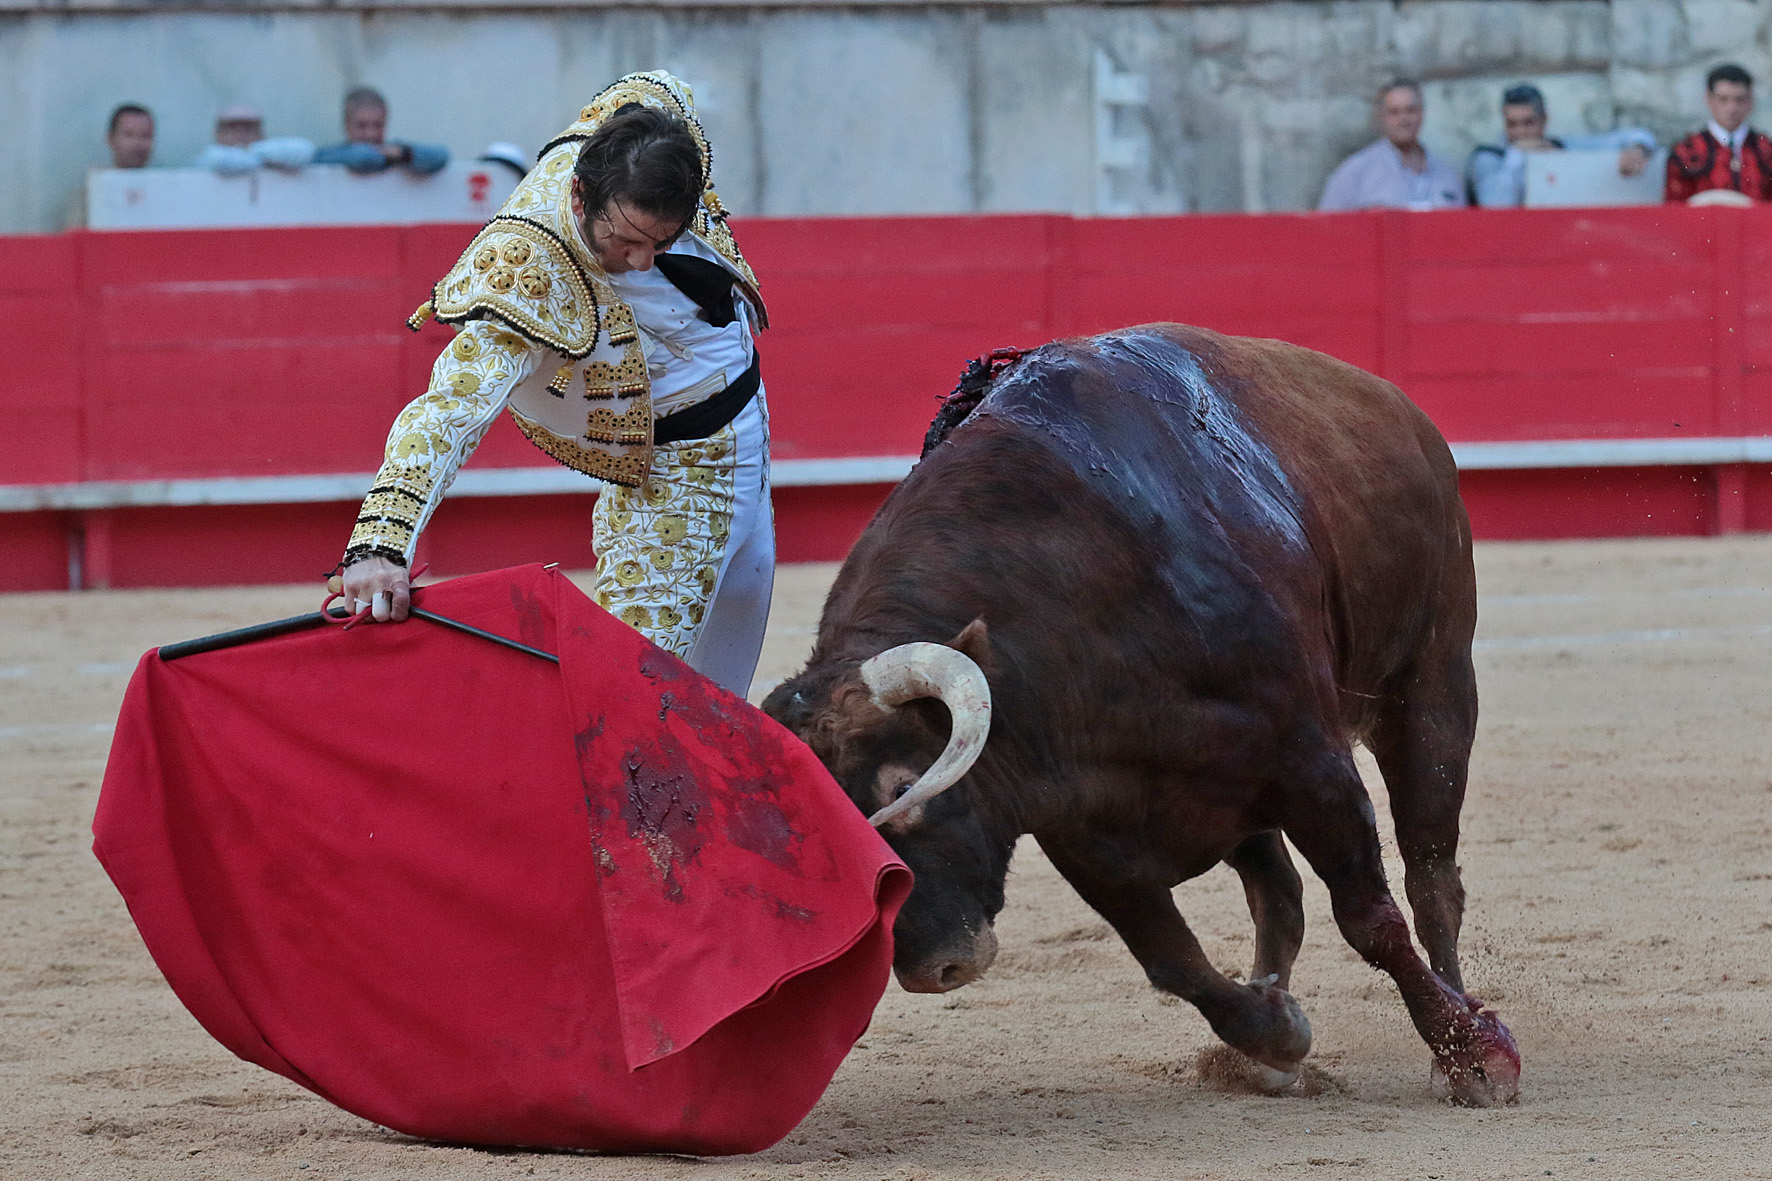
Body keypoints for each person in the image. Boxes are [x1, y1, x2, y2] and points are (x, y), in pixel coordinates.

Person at [336, 72, 774, 696]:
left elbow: (662, 81)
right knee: (627, 691)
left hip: (750, 416)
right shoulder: (527, 266)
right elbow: (449, 409)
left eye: (661, 242)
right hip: (673, 472)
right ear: (580, 193)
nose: (642, 260)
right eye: (624, 240)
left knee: (732, 657)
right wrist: (379, 542)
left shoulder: (649, 117)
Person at [1468, 83, 1657, 207]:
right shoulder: (1489, 159)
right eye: (1512, 124)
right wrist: (1516, 156)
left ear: (1544, 120)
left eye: (1528, 123)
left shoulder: (1560, 146)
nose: (1520, 132)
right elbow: (1496, 207)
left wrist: (1637, 149)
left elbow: (1637, 135)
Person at [1318, 80, 1463, 211]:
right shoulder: (1356, 172)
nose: (1404, 118)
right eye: (1394, 112)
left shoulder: (1447, 173)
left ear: (1422, 113)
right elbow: (1327, 224)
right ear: (1381, 117)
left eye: (1411, 110)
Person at [1665, 64, 1772, 204]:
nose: (1731, 108)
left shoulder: (1766, 149)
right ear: (1708, 99)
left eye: (1739, 99)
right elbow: (1674, 208)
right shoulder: (1685, 151)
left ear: (1750, 100)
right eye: (1723, 99)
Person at [315, 87, 449, 176]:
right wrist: (388, 156)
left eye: (378, 125)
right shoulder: (331, 155)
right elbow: (362, 158)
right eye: (362, 126)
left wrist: (402, 154)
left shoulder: (395, 151)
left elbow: (440, 156)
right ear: (346, 125)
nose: (371, 134)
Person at [193, 105, 315, 176]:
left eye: (248, 129)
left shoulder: (273, 155)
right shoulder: (208, 159)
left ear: (262, 135)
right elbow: (219, 160)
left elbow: (304, 151)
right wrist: (262, 159)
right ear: (217, 135)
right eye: (233, 129)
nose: (241, 135)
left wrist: (254, 152)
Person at [106, 104, 155, 169]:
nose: (137, 143)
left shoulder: (164, 175)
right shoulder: (97, 175)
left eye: (145, 135)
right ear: (111, 139)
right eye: (129, 135)